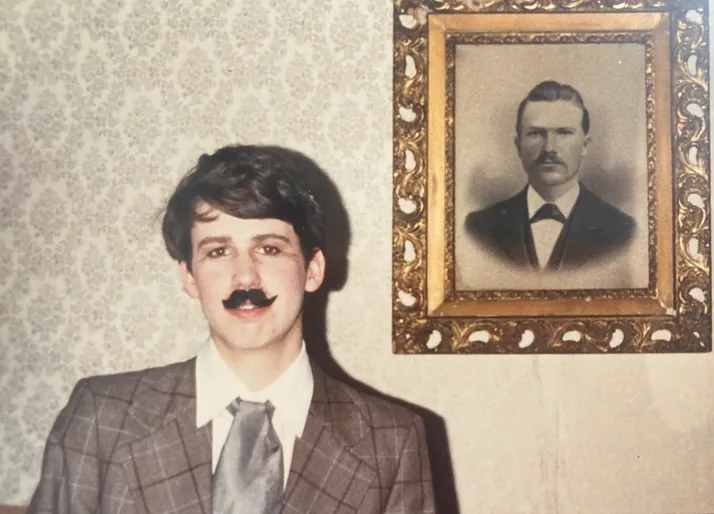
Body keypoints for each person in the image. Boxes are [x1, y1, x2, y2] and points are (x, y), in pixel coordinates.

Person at [28, 145, 435, 514]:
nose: (245, 278)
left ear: (312, 269)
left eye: (269, 249)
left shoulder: (391, 442)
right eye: (218, 251)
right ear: (189, 277)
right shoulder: (103, 418)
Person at [465, 80, 636, 272]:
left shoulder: (622, 230)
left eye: (563, 133)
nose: (549, 148)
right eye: (536, 133)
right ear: (518, 145)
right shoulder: (478, 228)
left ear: (585, 145)